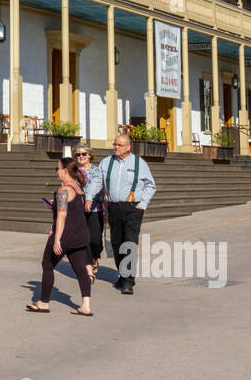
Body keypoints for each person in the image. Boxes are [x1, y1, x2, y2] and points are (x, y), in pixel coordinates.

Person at [85, 133, 156, 295]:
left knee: (129, 242)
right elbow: (97, 181)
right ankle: (122, 275)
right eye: (115, 144)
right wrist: (89, 197)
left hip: (133, 208)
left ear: (128, 147)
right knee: (116, 243)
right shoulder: (106, 162)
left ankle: (129, 281)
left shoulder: (139, 163)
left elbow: (150, 185)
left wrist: (142, 204)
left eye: (119, 145)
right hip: (113, 207)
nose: (116, 147)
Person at [26, 157, 93, 315]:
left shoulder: (63, 190)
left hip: (65, 236)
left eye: (57, 168)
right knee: (81, 270)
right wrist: (54, 205)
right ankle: (86, 306)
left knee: (47, 265)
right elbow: (72, 210)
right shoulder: (78, 188)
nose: (56, 172)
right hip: (80, 235)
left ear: (65, 170)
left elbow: (62, 216)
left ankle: (43, 302)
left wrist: (56, 240)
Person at [73, 144, 105, 284]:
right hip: (78, 210)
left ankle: (94, 258)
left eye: (84, 154)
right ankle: (89, 271)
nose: (81, 157)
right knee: (84, 240)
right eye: (78, 154)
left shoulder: (96, 171)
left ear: (89, 155)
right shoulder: (72, 171)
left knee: (96, 241)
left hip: (95, 209)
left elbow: (96, 185)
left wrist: (89, 198)